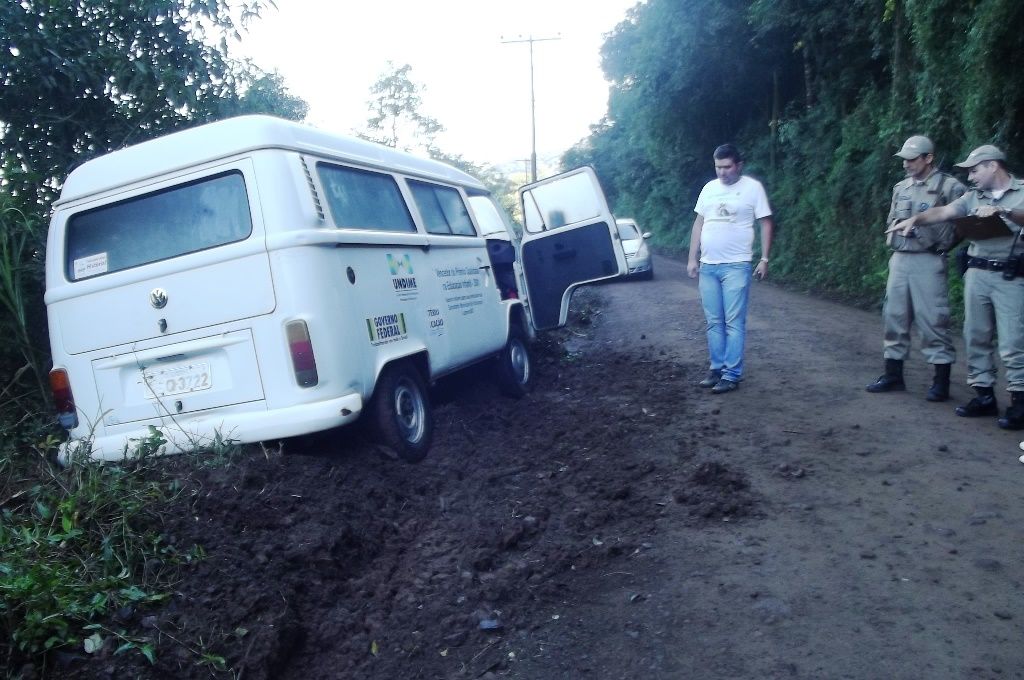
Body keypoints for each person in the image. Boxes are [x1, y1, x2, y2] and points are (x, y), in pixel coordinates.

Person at [890, 144, 1024, 429]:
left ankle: (1019, 402)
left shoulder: (1022, 190)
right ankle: (984, 395)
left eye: (975, 170)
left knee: (1013, 342)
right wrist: (916, 218)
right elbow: (944, 213)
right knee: (976, 336)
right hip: (977, 272)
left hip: (1011, 276)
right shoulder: (973, 196)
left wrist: (1003, 212)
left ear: (992, 166)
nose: (971, 177)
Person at [867, 136, 965, 400]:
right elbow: (891, 219)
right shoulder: (901, 188)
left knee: (934, 319)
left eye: (912, 159)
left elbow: (963, 225)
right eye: (904, 160)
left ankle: (941, 382)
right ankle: (893, 374)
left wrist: (941, 245)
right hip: (900, 258)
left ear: (928, 158)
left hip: (929, 260)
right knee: (894, 316)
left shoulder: (950, 186)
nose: (906, 165)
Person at [687, 143, 774, 394]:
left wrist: (764, 259)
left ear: (738, 165)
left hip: (737, 265)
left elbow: (766, 223)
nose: (722, 172)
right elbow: (698, 224)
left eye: (727, 167)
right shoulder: (709, 189)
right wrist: (692, 258)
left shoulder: (752, 189)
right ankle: (716, 369)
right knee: (714, 321)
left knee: (734, 321)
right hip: (708, 266)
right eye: (718, 167)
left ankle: (732, 374)